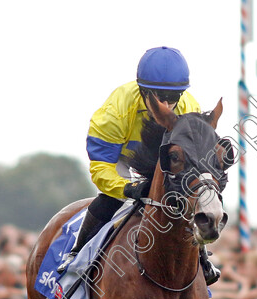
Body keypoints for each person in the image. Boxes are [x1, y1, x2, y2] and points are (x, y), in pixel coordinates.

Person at [57, 46, 222, 284]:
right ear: (143, 90)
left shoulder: (190, 109)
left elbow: (193, 165)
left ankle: (203, 258)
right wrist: (128, 188)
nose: (166, 105)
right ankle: (76, 255)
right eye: (158, 97)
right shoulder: (116, 110)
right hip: (121, 158)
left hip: (165, 158)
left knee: (185, 200)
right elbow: (101, 168)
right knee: (114, 199)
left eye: (173, 98)